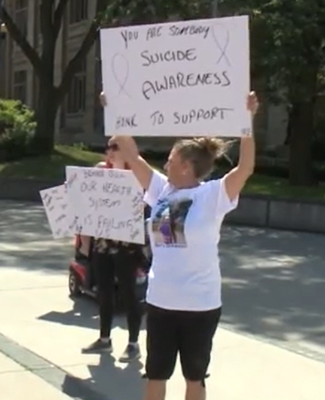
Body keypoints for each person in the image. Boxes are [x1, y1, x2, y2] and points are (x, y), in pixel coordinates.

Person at [101, 91, 259, 400]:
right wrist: (114, 110)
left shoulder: (212, 196)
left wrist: (247, 121)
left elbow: (246, 168)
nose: (166, 163)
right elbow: (131, 155)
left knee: (194, 379)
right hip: (161, 303)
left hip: (200, 305)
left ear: (187, 166)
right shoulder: (161, 189)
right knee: (155, 376)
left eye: (171, 160)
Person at [80, 144, 146, 362]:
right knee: (104, 292)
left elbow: (140, 203)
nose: (110, 152)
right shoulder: (100, 171)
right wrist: (84, 240)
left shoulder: (134, 175)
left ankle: (133, 343)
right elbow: (85, 203)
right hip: (103, 243)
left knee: (128, 293)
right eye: (109, 149)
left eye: (115, 149)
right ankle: (104, 338)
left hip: (126, 246)